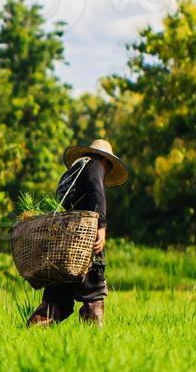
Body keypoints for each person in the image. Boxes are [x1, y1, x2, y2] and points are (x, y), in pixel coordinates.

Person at [27, 139, 129, 328]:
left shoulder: (68, 175)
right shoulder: (95, 165)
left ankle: (28, 334)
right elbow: (97, 194)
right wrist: (101, 227)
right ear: (106, 161)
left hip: (61, 248)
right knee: (93, 295)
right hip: (82, 242)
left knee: (55, 302)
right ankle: (94, 345)